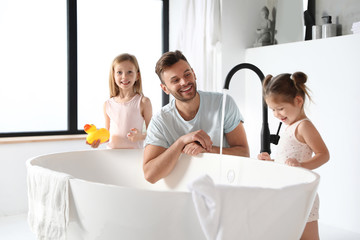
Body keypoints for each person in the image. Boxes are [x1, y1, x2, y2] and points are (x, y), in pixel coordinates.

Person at [143, 50, 249, 184]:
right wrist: (181, 142)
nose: (184, 82)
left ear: (194, 73)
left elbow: (244, 153)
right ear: (165, 88)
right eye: (175, 80)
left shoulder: (223, 103)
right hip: (182, 189)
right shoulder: (160, 121)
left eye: (187, 74)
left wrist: (207, 150)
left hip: (223, 184)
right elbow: (150, 175)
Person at [257, 72, 330, 240]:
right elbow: (288, 160)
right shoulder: (289, 126)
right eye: (273, 110)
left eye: (280, 108)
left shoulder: (303, 126)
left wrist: (302, 166)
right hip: (288, 194)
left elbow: (324, 154)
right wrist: (272, 162)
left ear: (298, 101)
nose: (276, 114)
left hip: (303, 195)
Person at [88, 53, 152, 149]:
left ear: (137, 76)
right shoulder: (108, 104)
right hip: (112, 155)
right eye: (119, 72)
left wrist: (140, 136)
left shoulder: (143, 102)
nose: (124, 77)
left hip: (133, 156)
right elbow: (108, 136)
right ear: (113, 75)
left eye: (129, 72)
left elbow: (154, 134)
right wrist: (97, 140)